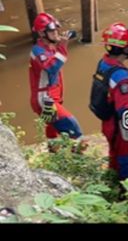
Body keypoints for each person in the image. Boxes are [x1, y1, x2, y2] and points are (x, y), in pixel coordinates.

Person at [96, 22, 128, 182]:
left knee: (114, 155)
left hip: (108, 122)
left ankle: (114, 182)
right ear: (125, 48)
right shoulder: (121, 78)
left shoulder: (103, 63)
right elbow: (125, 112)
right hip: (122, 129)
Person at [29, 12, 84, 151]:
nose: (56, 33)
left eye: (56, 29)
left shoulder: (51, 46)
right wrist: (63, 47)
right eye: (52, 30)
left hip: (53, 94)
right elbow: (52, 68)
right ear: (42, 33)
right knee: (73, 128)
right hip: (45, 99)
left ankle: (53, 154)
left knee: (52, 126)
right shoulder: (37, 51)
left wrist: (60, 44)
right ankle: (79, 162)